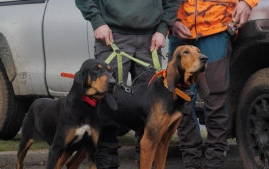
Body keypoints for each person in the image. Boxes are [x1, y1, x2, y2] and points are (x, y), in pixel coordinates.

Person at [75, 0, 180, 168]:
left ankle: (145, 163)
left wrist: (162, 29)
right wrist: (97, 21)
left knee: (151, 109)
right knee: (106, 103)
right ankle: (107, 164)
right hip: (112, 35)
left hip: (151, 38)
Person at [168, 0, 259, 168]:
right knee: (180, 99)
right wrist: (170, 20)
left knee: (215, 96)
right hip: (179, 28)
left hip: (216, 25)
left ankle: (215, 158)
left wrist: (247, 2)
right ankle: (190, 156)